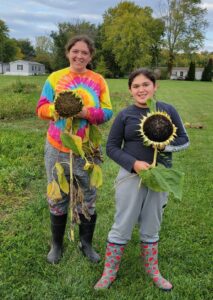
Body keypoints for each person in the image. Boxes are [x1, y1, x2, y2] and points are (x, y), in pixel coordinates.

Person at [94, 68, 189, 291]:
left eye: (146, 84)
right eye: (136, 86)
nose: (141, 89)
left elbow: (185, 140)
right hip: (131, 177)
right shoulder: (125, 115)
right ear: (130, 90)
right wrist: (133, 164)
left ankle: (152, 270)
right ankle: (110, 271)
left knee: (152, 223)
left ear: (155, 86)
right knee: (123, 222)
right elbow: (111, 147)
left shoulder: (166, 111)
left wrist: (165, 145)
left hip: (160, 177)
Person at [36, 35, 113, 264]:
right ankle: (56, 245)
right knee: (57, 193)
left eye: (85, 53)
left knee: (87, 196)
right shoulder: (55, 78)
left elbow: (107, 112)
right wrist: (60, 109)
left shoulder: (98, 80)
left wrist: (85, 113)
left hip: (87, 150)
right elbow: (41, 109)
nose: (80, 56)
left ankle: (86, 243)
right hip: (57, 147)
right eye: (75, 51)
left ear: (90, 56)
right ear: (68, 52)